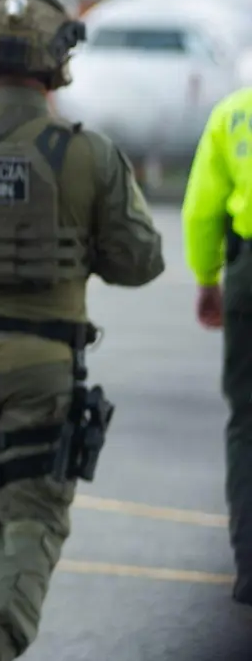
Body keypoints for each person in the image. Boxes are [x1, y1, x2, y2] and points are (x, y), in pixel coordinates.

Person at [0, 0, 165, 661]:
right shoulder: (88, 154)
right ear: (59, 57)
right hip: (42, 365)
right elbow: (140, 262)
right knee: (32, 515)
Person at [184, 87, 252, 608]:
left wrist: (208, 278)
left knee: (247, 425)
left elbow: (202, 209)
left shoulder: (235, 112)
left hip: (247, 272)